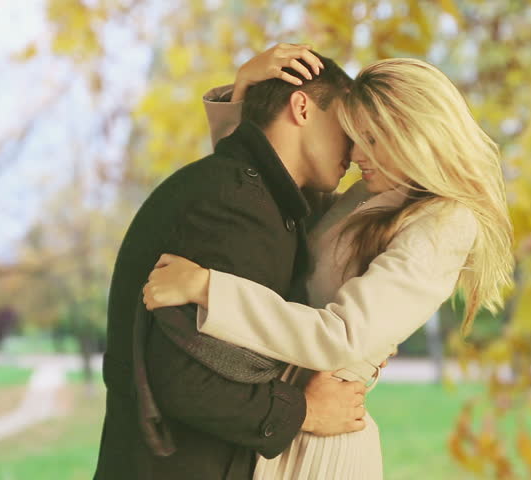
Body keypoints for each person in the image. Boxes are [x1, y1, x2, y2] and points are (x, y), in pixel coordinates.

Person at [142, 48, 515, 480]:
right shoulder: (377, 195)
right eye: (356, 136)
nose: (356, 153)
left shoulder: (446, 223)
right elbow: (267, 194)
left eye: (373, 139)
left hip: (324, 443)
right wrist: (243, 98)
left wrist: (209, 289)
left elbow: (341, 337)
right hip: (293, 418)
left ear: (417, 134)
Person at [94, 46, 369, 480]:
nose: (355, 150)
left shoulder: (245, 191)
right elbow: (182, 381)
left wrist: (242, 97)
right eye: (347, 123)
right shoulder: (237, 205)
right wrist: (306, 412)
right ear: (302, 107)